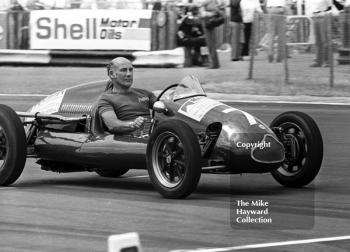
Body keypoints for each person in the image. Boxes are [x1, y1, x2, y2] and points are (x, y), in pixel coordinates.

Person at [93, 57, 156, 135]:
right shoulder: (105, 99)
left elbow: (166, 107)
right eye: (123, 70)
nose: (129, 74)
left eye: (131, 70)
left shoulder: (145, 94)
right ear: (112, 74)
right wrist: (133, 124)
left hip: (156, 138)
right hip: (129, 142)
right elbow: (112, 125)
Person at [309, 0, 344, 67]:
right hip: (315, 17)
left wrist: (324, 13)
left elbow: (330, 7)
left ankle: (328, 61)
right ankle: (318, 61)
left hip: (324, 16)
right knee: (318, 41)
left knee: (325, 40)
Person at [200, 0, 225, 69]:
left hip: (208, 22)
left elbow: (203, 14)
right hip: (209, 22)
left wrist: (207, 13)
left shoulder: (208, 2)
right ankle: (215, 63)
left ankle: (213, 64)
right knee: (211, 44)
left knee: (210, 44)